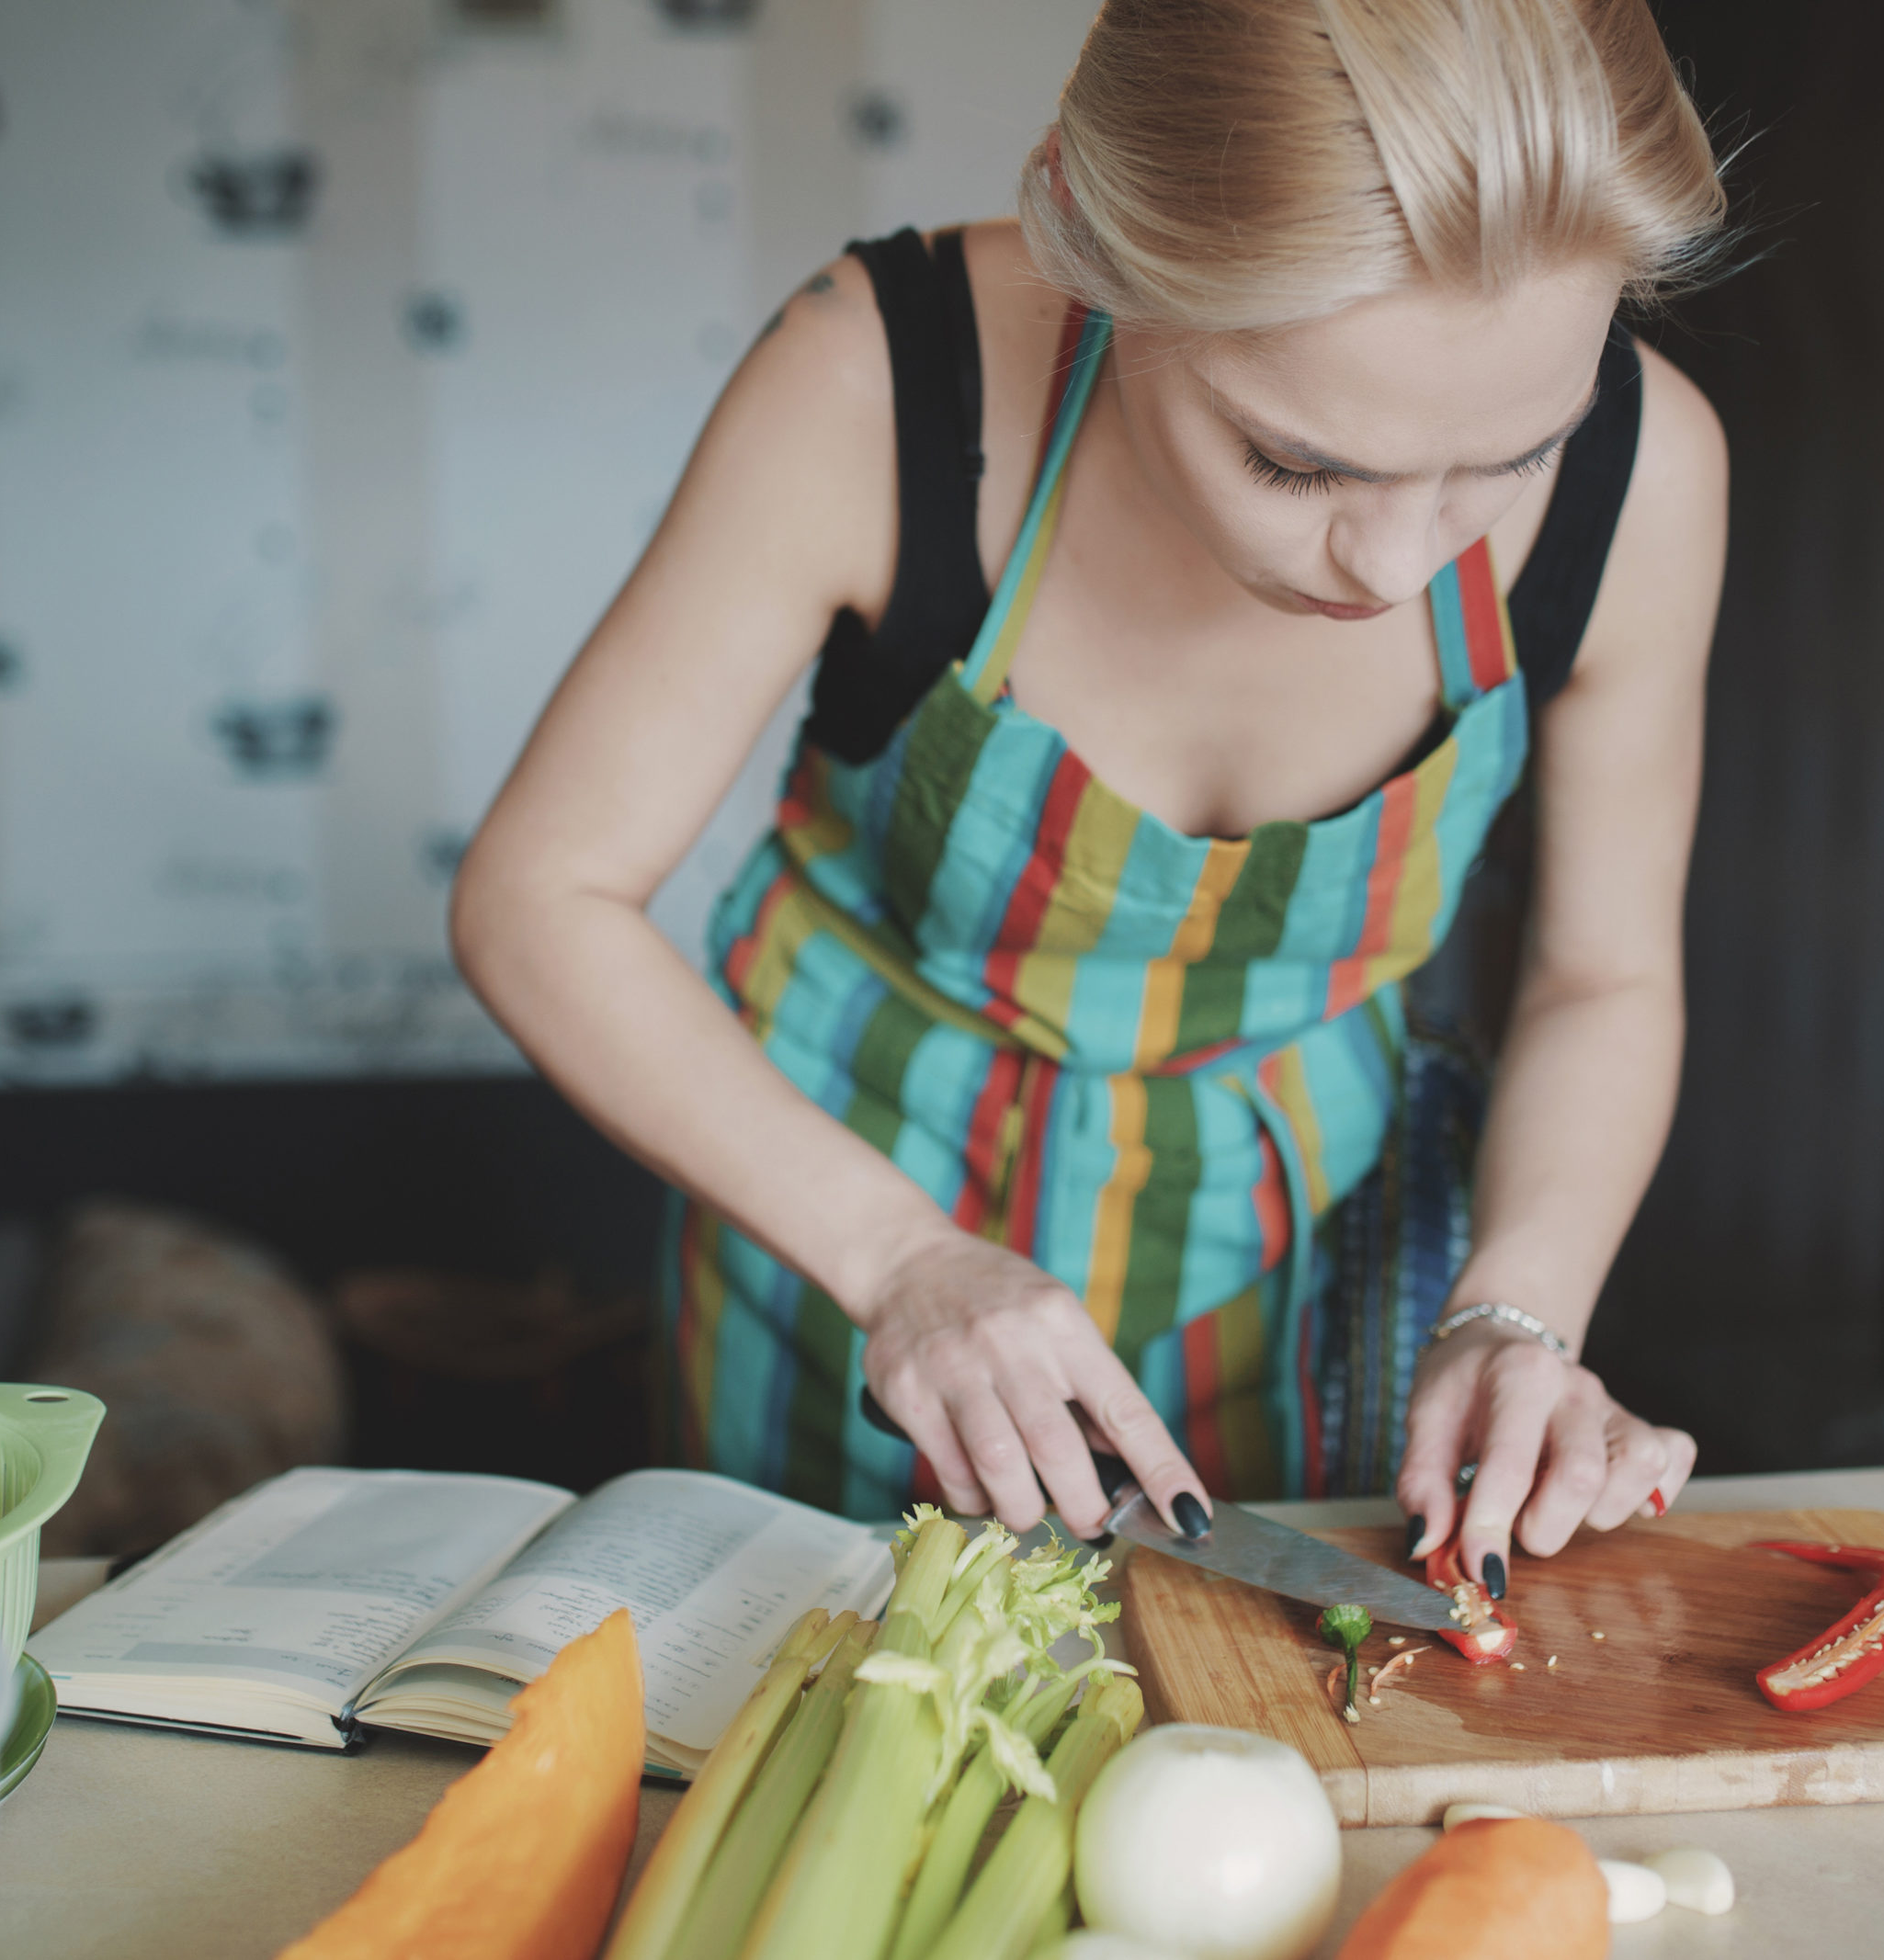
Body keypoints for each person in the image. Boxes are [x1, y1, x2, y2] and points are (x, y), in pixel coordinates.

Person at [454, 0, 1730, 1603]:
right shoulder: (880, 383)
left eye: (1512, 456)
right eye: (1297, 463)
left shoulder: (1651, 471)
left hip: (1311, 1277)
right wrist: (901, 1259)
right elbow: (540, 893)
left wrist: (1519, 1310)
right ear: (1088, 236)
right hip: (845, 1252)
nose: (1405, 562)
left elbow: (1605, 973)